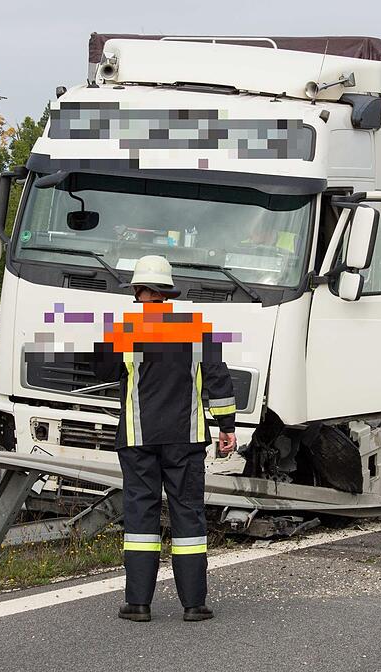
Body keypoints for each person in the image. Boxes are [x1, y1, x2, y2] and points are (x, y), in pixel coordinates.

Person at [92, 255, 236, 622]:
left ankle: (138, 604)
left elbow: (101, 368)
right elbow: (219, 379)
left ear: (138, 292)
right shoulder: (197, 328)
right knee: (188, 516)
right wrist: (227, 426)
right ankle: (194, 605)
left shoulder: (124, 328)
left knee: (141, 516)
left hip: (138, 437)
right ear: (167, 292)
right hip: (186, 439)